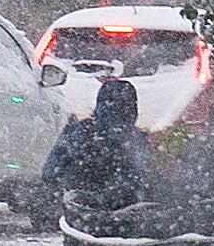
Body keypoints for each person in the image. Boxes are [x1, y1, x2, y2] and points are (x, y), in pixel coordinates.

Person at [41, 70, 161, 225]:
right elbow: (147, 178)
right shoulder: (137, 140)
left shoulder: (77, 133)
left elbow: (50, 172)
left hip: (84, 218)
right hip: (129, 221)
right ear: (133, 109)